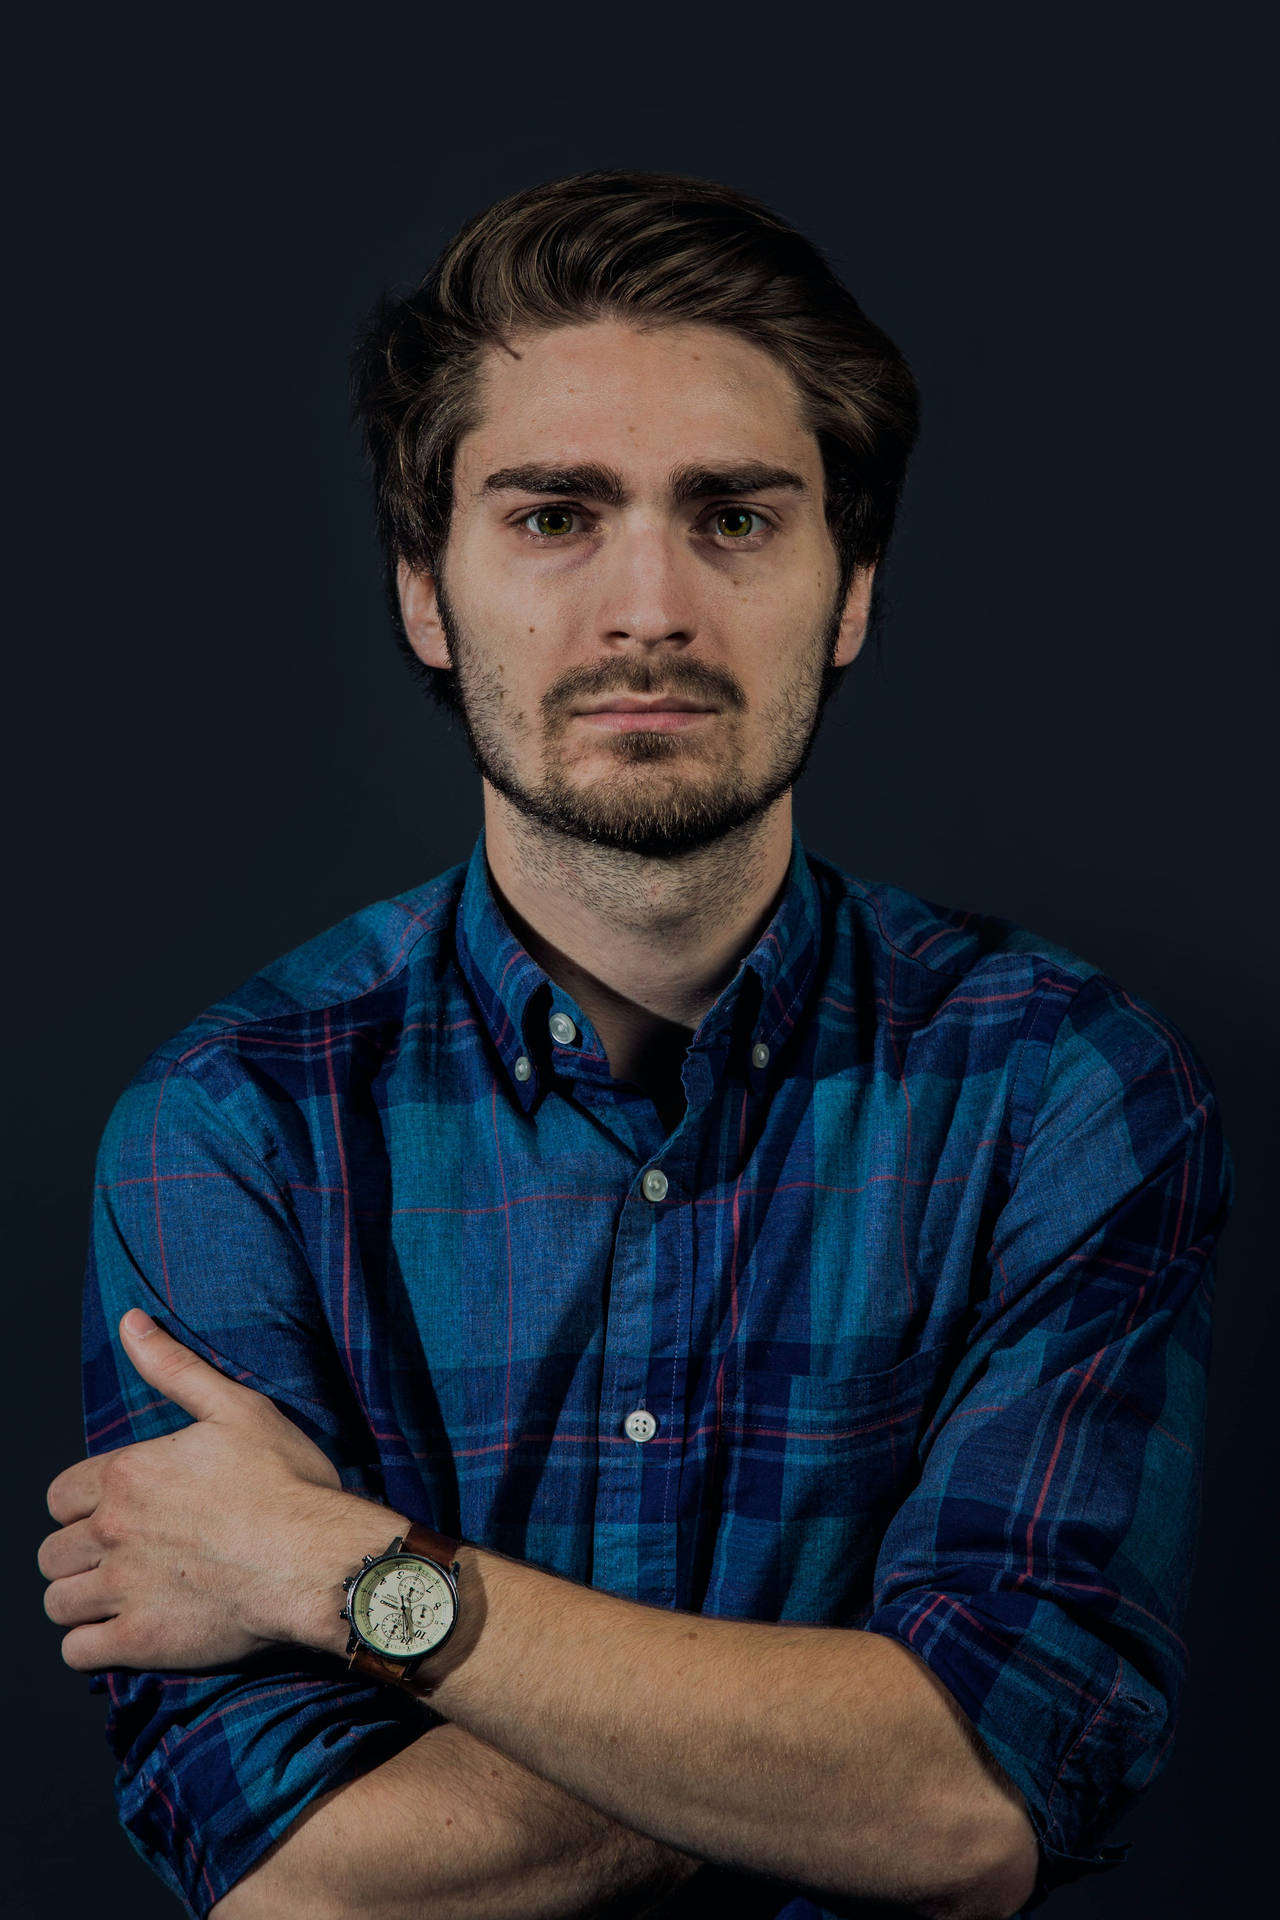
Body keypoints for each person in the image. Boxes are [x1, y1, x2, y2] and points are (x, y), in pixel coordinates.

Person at [39, 171, 1233, 1920]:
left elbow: (971, 1810)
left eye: (737, 516)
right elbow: (308, 1886)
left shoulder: (1069, 1091)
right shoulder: (229, 1129)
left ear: (854, 591)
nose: (651, 608)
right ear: (426, 596)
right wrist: (833, 1712)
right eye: (552, 516)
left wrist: (344, 1570)